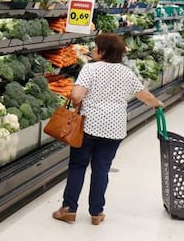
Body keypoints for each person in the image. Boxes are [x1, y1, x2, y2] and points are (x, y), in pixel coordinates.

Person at [52, 33, 164, 225]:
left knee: (78, 166)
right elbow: (143, 95)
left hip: (88, 126)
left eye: (95, 48)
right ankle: (96, 213)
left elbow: (77, 96)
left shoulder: (90, 69)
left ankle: (69, 209)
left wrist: (76, 96)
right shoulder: (126, 72)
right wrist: (158, 104)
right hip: (114, 129)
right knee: (101, 169)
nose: (93, 51)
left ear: (102, 52)